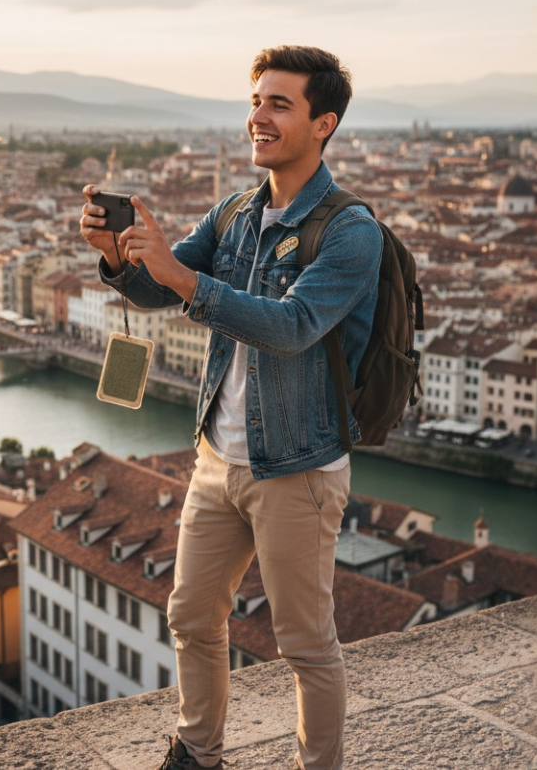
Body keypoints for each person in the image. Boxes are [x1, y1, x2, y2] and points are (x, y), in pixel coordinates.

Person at [80, 46, 381, 770]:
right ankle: (200, 755)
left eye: (279, 104)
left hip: (297, 467)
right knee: (191, 615)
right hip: (219, 456)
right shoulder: (237, 213)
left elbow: (291, 327)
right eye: (256, 101)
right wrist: (123, 258)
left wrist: (182, 276)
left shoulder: (350, 230)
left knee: (305, 642)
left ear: (324, 123)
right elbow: (161, 288)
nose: (259, 117)